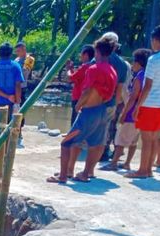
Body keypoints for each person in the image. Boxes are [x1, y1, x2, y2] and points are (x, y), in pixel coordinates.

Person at [47, 36, 117, 184]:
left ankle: (63, 175)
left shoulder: (94, 69)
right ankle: (85, 173)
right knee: (95, 144)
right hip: (102, 110)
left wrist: (79, 105)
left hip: (89, 111)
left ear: (97, 51)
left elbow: (87, 90)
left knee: (66, 143)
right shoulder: (112, 70)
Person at [125, 25, 160, 178]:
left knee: (146, 140)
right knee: (153, 139)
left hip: (150, 103)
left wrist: (138, 105)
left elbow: (148, 86)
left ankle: (142, 170)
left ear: (156, 40)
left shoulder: (153, 59)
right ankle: (149, 170)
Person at [101, 49, 151, 171]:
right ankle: (127, 163)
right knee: (134, 140)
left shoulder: (140, 76)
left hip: (131, 113)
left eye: (134, 62)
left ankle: (113, 163)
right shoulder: (149, 75)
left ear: (139, 63)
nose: (132, 65)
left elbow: (133, 97)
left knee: (120, 139)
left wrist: (124, 113)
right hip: (142, 113)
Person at [99, 32, 129, 162]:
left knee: (100, 127)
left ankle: (100, 151)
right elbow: (122, 86)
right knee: (110, 126)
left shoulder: (100, 59)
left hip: (99, 99)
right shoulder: (123, 64)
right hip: (114, 100)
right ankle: (107, 151)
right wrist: (117, 103)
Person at [0, 42, 24, 145]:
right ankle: (5, 156)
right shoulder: (15, 66)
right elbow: (18, 85)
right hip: (10, 103)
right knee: (8, 129)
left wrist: (6, 96)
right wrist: (16, 99)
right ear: (11, 53)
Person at [67, 45, 95, 126]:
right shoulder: (91, 67)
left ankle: (73, 137)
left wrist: (68, 69)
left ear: (86, 55)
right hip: (86, 98)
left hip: (78, 97)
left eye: (81, 53)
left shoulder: (85, 67)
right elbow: (76, 78)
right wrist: (72, 69)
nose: (80, 55)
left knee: (75, 122)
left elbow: (70, 78)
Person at [14, 42, 35, 146]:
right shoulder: (16, 60)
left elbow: (24, 72)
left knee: (21, 109)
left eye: (18, 51)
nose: (17, 53)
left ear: (23, 49)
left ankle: (20, 130)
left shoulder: (29, 59)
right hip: (14, 87)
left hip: (22, 86)